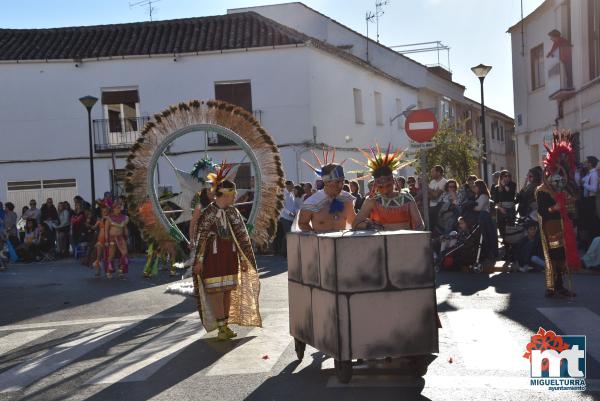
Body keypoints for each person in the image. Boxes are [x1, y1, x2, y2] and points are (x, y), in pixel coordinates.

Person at [192, 163, 261, 340]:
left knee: (228, 290)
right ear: (224, 195)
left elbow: (241, 237)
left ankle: (226, 324)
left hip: (230, 257)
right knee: (216, 292)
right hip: (212, 259)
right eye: (233, 195)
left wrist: (244, 258)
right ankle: (221, 327)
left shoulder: (234, 212)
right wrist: (199, 260)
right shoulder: (208, 213)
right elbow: (201, 238)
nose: (235, 198)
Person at [535, 130, 580, 297]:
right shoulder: (542, 191)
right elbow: (542, 211)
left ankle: (560, 286)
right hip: (551, 227)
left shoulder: (561, 189)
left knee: (562, 255)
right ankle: (552, 286)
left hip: (562, 224)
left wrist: (567, 204)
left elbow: (569, 205)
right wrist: (554, 208)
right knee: (554, 255)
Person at [352, 146, 423, 231]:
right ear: (376, 185)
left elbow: (420, 224)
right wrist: (369, 225)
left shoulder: (407, 198)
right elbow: (355, 224)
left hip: (405, 242)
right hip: (380, 243)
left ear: (394, 181)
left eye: (388, 185)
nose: (385, 190)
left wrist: (416, 235)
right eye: (381, 187)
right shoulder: (371, 201)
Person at [298, 153, 355, 232]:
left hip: (343, 243)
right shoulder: (311, 203)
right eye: (337, 182)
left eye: (343, 182)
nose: (341, 185)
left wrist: (366, 223)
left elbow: (352, 221)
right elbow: (302, 223)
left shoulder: (347, 199)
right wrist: (316, 238)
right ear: (326, 182)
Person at [473, 179, 498, 263]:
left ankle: (491, 254)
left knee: (487, 235)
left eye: (475, 186)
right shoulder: (477, 196)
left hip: (485, 217)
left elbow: (479, 208)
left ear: (479, 187)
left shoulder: (483, 196)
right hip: (481, 217)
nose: (474, 188)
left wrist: (471, 207)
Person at [105, 201, 129, 279]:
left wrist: (127, 236)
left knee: (124, 253)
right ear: (113, 209)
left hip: (121, 238)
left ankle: (121, 269)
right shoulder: (109, 218)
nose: (119, 209)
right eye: (117, 208)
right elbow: (106, 230)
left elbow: (125, 228)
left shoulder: (124, 217)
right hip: (112, 238)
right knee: (111, 255)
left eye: (120, 207)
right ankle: (109, 271)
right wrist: (106, 240)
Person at [274, 180, 297, 256]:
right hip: (285, 217)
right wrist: (289, 213)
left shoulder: (291, 194)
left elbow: (292, 205)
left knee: (287, 235)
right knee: (288, 235)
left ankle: (284, 251)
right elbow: (281, 206)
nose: (293, 187)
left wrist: (295, 212)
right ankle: (285, 252)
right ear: (288, 186)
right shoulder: (283, 193)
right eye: (292, 185)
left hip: (291, 218)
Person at [580, 156, 599, 245]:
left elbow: (594, 189)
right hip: (586, 200)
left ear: (590, 164)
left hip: (591, 200)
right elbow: (580, 181)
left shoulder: (594, 175)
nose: (586, 164)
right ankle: (588, 242)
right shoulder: (589, 174)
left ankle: (592, 241)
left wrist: (585, 185)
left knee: (591, 222)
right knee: (587, 222)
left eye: (587, 162)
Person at [491, 170, 517, 238]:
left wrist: (504, 185)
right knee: (501, 226)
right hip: (501, 209)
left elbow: (511, 194)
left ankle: (511, 241)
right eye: (505, 176)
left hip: (510, 208)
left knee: (511, 226)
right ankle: (504, 240)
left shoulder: (513, 184)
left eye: (509, 176)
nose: (507, 177)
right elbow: (495, 202)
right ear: (501, 177)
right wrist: (500, 208)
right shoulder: (496, 188)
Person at [92, 201, 110, 276]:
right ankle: (98, 270)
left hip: (109, 239)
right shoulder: (99, 220)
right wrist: (89, 226)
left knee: (109, 256)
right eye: (103, 212)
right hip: (100, 240)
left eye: (106, 212)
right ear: (101, 213)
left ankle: (109, 270)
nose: (105, 213)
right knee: (98, 256)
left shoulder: (110, 219)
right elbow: (94, 227)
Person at [428, 165, 448, 232]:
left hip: (439, 207)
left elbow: (436, 195)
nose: (431, 173)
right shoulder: (432, 182)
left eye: (433, 172)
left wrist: (428, 189)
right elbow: (428, 196)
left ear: (438, 172)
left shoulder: (444, 182)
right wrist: (432, 194)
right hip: (431, 206)